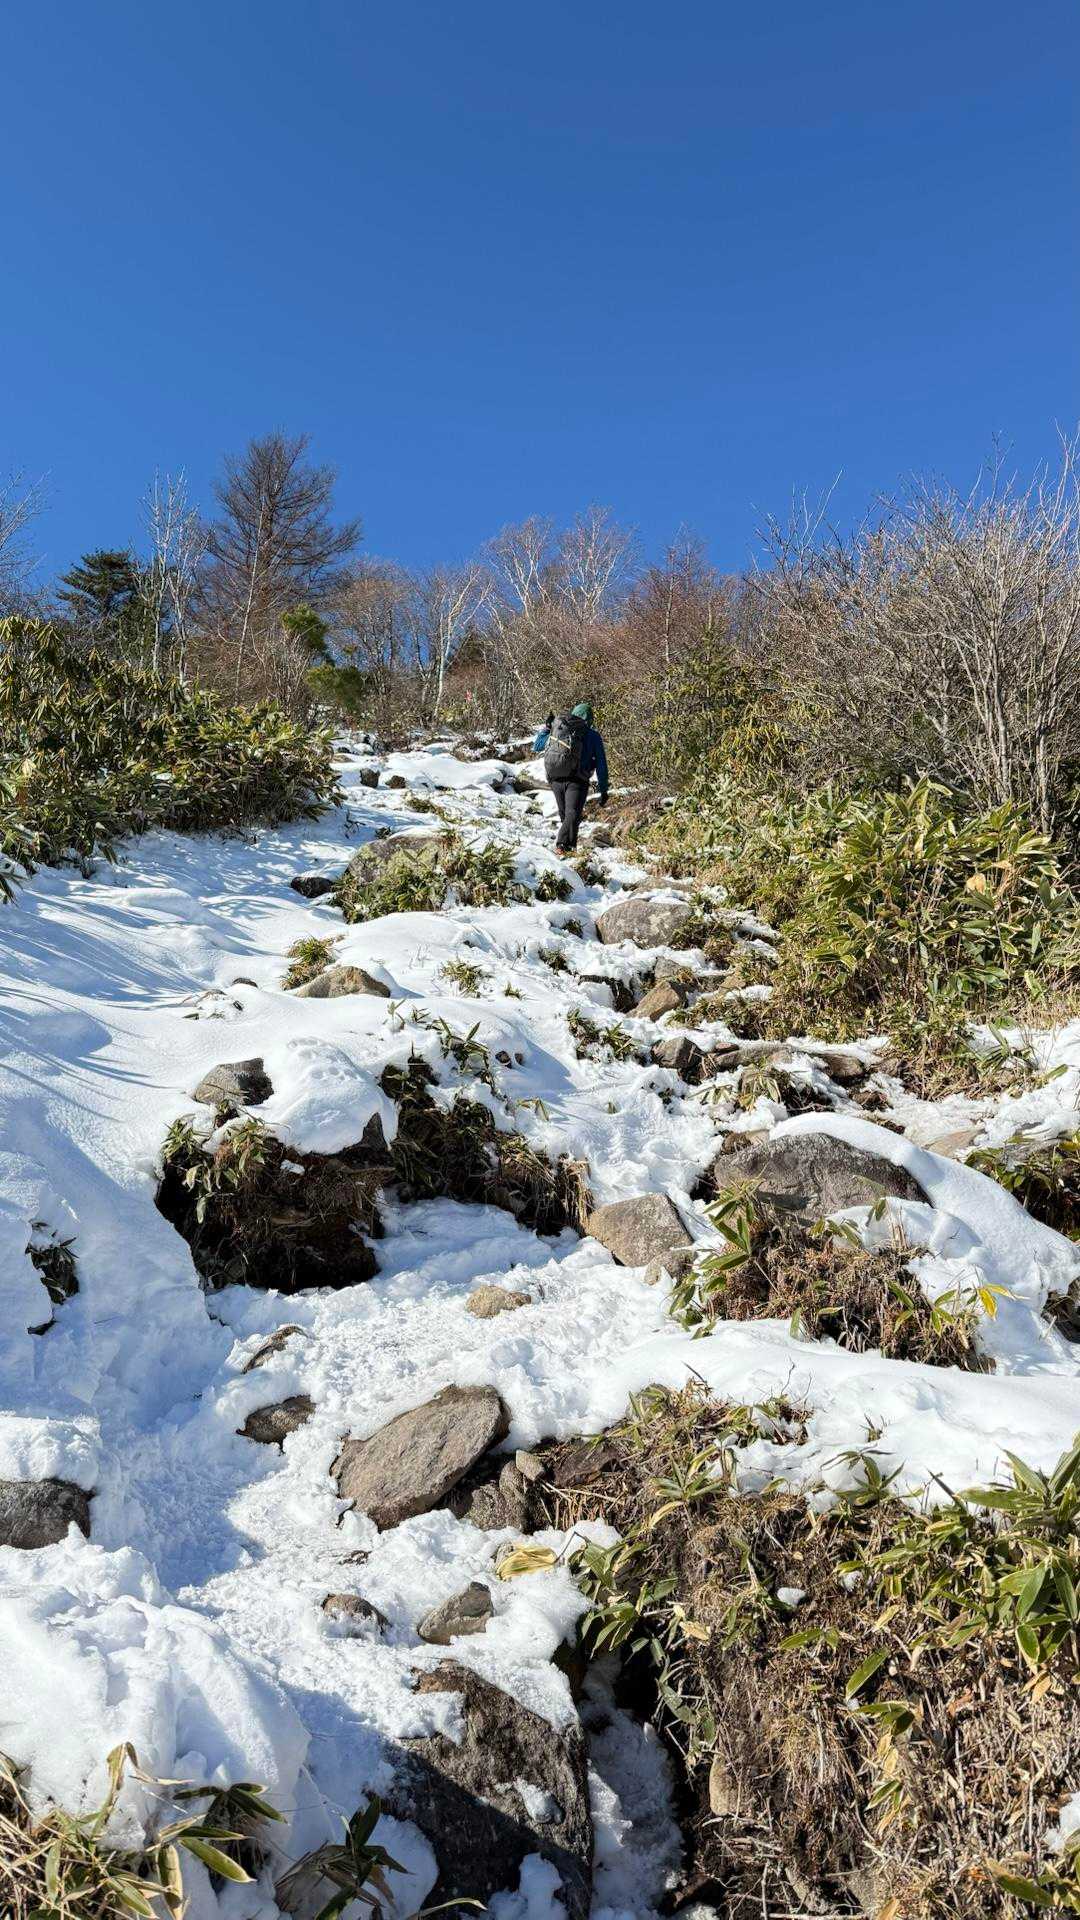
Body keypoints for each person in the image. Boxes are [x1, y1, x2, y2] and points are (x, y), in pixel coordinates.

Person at [533, 701, 609, 852]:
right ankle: (561, 845)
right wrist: (603, 789)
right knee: (572, 815)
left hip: (556, 778)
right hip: (577, 780)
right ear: (589, 719)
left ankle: (569, 849)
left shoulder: (559, 730)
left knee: (567, 816)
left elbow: (537, 746)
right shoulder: (592, 735)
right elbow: (601, 764)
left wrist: (547, 728)